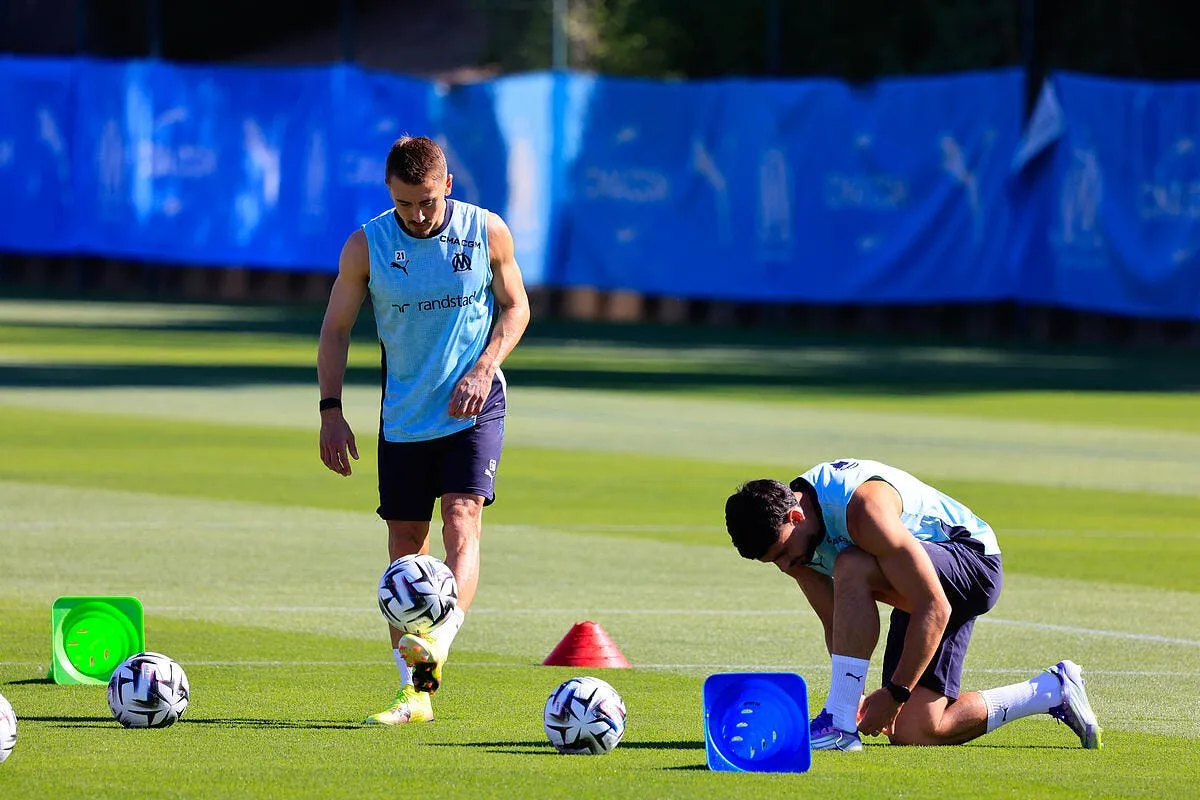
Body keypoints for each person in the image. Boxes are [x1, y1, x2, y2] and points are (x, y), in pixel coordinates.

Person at [317, 135, 530, 725]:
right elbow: (335, 330)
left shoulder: (487, 231)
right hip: (404, 418)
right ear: (390, 192)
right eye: (407, 203)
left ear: (448, 188)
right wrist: (331, 411)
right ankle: (418, 695)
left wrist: (485, 368)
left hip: (473, 406)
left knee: (462, 518)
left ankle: (439, 641)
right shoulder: (367, 246)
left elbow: (516, 307)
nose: (418, 215)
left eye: (429, 203)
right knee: (406, 555)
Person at [724, 458, 1102, 751]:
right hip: (914, 585)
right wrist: (854, 696)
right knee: (918, 730)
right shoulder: (794, 546)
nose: (786, 566)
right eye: (773, 561)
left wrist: (894, 693)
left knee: (850, 564)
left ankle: (837, 725)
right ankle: (1052, 690)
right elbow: (836, 623)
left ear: (796, 515)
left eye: (784, 553)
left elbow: (935, 606)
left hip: (972, 565)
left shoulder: (862, 509)